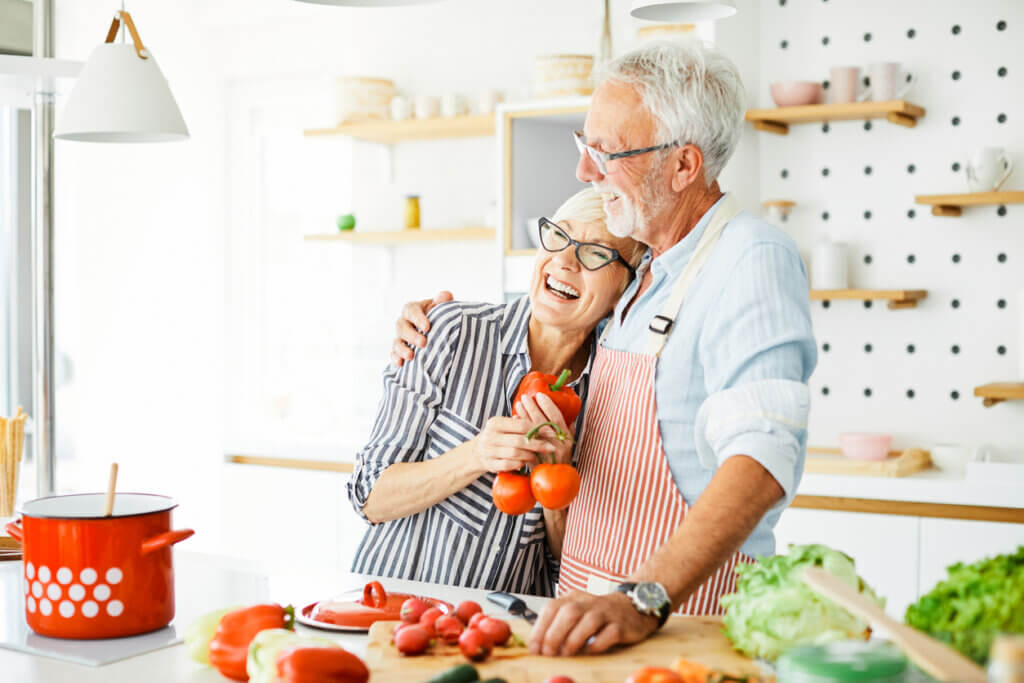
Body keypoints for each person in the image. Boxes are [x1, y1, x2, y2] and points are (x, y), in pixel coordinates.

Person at [391, 39, 817, 654]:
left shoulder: (750, 255)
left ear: (683, 165)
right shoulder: (642, 278)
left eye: (607, 153)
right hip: (588, 615)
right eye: (583, 145)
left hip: (680, 622)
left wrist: (643, 596)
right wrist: (429, 319)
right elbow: (551, 308)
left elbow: (763, 458)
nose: (584, 172)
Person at [347, 188, 644, 596]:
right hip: (393, 617)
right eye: (559, 236)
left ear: (628, 290)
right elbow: (369, 495)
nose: (563, 260)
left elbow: (567, 568)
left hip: (506, 637)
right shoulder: (451, 331)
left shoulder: (613, 393)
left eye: (594, 253)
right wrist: (476, 455)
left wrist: (554, 486)